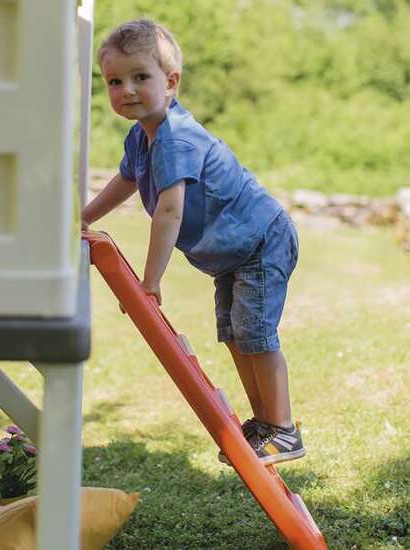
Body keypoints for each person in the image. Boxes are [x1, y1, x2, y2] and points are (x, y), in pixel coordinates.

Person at [82, 19, 305, 466]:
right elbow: (126, 181)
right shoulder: (139, 138)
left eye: (140, 77)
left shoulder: (176, 138)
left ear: (171, 81)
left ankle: (283, 430)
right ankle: (264, 424)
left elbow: (169, 211)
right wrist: (82, 217)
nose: (126, 89)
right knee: (236, 336)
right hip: (233, 255)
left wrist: (150, 282)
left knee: (256, 334)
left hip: (261, 241)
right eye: (114, 81)